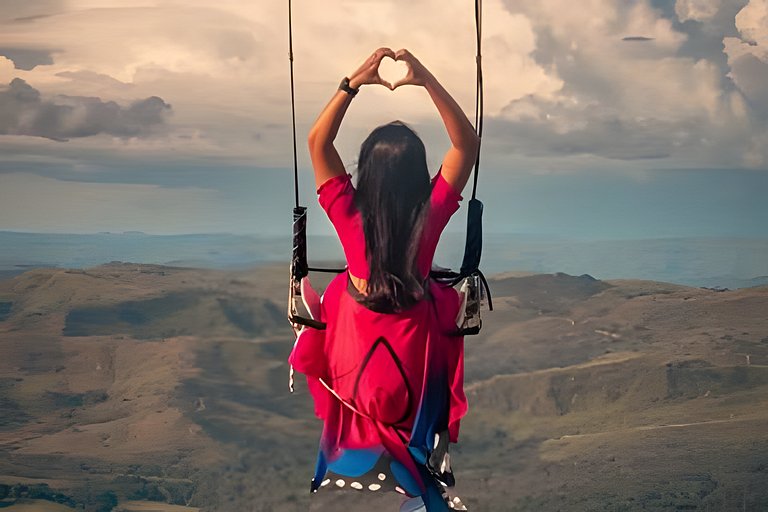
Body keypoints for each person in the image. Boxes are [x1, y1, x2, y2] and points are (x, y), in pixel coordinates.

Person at [289, 47, 479, 512]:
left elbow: (317, 142)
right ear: (418, 175)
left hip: (356, 355)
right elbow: (466, 145)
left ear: (367, 172)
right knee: (417, 419)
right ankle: (417, 488)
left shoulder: (349, 213)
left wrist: (353, 82)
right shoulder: (429, 213)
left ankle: (390, 479)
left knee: (340, 303)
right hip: (414, 354)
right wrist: (426, 78)